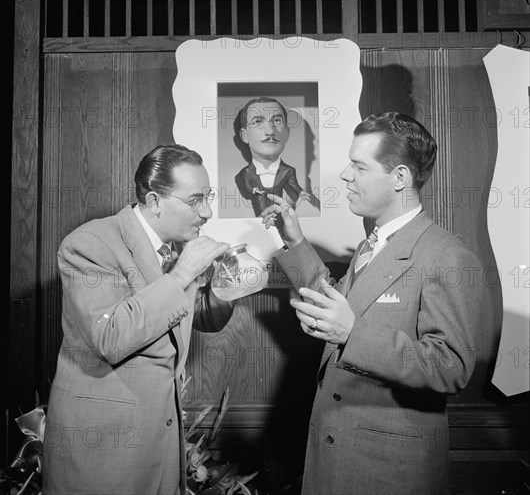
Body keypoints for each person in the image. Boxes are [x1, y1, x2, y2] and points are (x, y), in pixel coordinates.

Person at [261, 112, 493, 495]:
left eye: (359, 166)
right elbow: (336, 308)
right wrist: (297, 241)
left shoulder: (446, 256)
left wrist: (353, 334)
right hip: (334, 460)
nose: (346, 176)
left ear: (400, 178)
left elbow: (451, 368)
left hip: (388, 474)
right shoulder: (373, 243)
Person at [42, 144, 235, 495]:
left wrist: (226, 287)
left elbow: (194, 317)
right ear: (155, 201)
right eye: (194, 201)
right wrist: (183, 273)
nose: (206, 211)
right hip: (104, 443)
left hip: (160, 438)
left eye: (207, 198)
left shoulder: (175, 245)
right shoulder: (90, 243)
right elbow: (111, 336)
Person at [234, 97, 311, 218]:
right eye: (258, 121)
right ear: (244, 135)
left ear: (286, 133)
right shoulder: (245, 173)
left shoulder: (289, 171)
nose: (270, 131)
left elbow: (294, 185)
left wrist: (301, 193)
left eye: (277, 120)